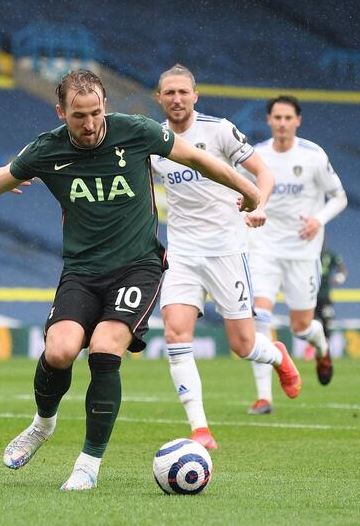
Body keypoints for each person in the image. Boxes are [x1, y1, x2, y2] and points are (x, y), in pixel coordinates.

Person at [0, 69, 262, 491]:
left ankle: (88, 463)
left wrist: (248, 190)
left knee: (105, 350)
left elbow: (197, 158)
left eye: (95, 113)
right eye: (78, 116)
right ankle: (42, 424)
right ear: (60, 111)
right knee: (61, 351)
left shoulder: (136, 132)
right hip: (82, 271)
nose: (89, 125)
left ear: (105, 105)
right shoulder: (46, 149)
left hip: (137, 265)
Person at [150, 64, 301, 449]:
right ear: (159, 98)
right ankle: (200, 428)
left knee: (242, 345)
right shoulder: (154, 141)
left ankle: (278, 356)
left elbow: (262, 172)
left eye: (183, 92)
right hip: (182, 253)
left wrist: (258, 205)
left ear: (195, 96)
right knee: (175, 332)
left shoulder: (218, 130)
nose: (177, 99)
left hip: (226, 251)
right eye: (170, 93)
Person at [247, 95, 348, 415]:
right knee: (259, 316)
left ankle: (322, 348)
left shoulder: (313, 156)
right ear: (268, 120)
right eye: (277, 117)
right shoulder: (256, 156)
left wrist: (318, 219)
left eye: (288, 118)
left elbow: (339, 197)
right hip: (263, 246)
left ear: (298, 121)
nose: (282, 123)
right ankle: (264, 396)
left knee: (302, 328)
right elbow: (243, 192)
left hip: (303, 252)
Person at [315, 241, 347, 344]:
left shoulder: (330, 254)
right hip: (311, 294)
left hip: (324, 295)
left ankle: (326, 345)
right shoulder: (309, 254)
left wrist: (340, 277)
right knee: (312, 322)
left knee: (327, 320)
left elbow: (342, 268)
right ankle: (314, 346)